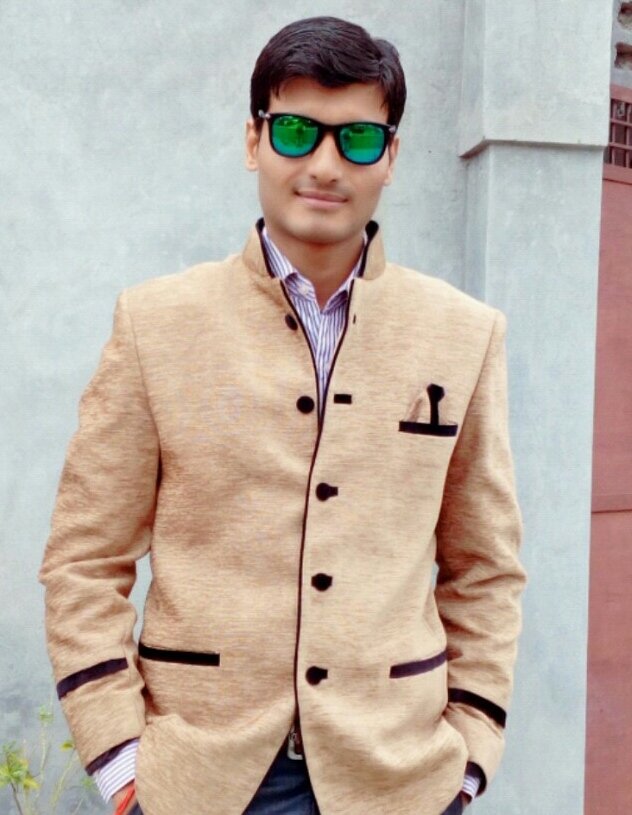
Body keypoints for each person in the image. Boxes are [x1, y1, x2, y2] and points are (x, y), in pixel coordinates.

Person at [39, 16, 526, 815]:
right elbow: (84, 560)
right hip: (202, 778)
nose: (325, 165)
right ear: (254, 140)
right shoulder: (156, 324)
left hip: (396, 778)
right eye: (296, 131)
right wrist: (122, 761)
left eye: (358, 140)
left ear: (391, 156)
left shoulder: (464, 335)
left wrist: (469, 755)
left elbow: (486, 567)